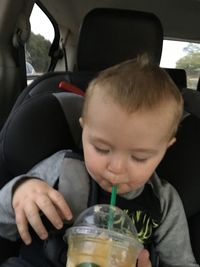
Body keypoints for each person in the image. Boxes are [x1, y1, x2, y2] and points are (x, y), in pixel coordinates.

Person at [0, 54, 198, 267]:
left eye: (139, 157)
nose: (116, 169)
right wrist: (19, 194)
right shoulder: (62, 168)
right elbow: (4, 225)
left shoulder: (163, 202)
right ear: (83, 130)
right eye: (102, 149)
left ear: (165, 149)